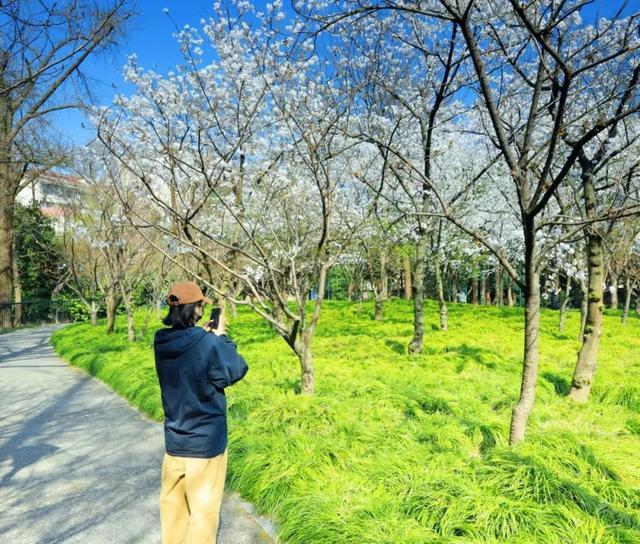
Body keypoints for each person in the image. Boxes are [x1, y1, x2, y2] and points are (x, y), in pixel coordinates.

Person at [154, 281, 248, 544]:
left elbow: (190, 353)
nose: (200, 310)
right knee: (203, 517)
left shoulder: (161, 341)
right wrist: (220, 338)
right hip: (205, 446)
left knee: (173, 514)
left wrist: (206, 337)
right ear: (194, 309)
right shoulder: (208, 343)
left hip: (174, 443)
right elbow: (237, 369)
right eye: (199, 306)